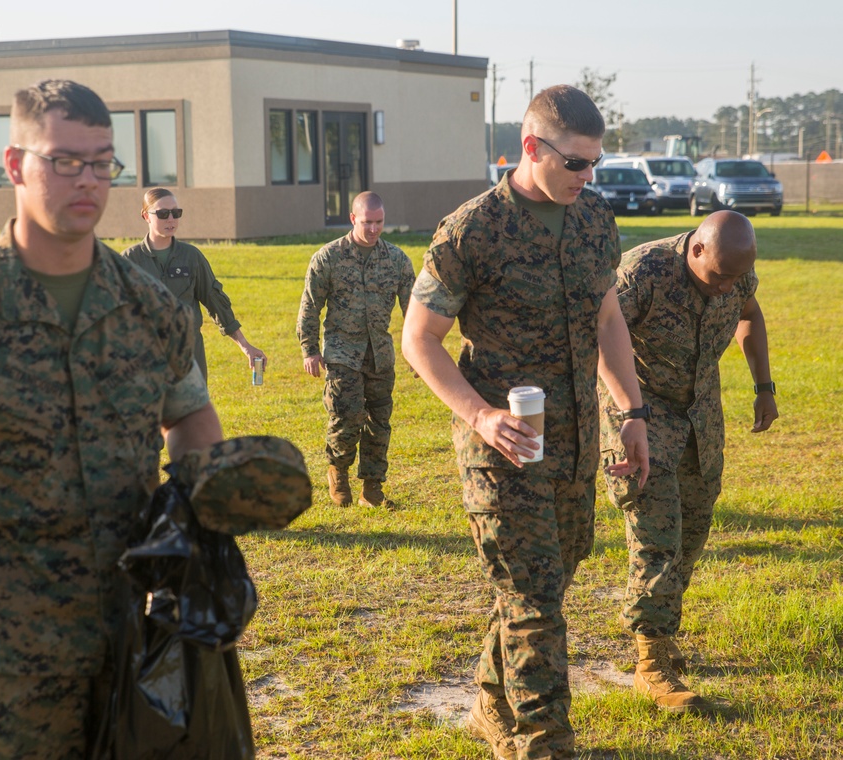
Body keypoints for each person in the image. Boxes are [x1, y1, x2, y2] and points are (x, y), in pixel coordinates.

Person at [0, 79, 224, 758]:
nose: (86, 179)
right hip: (10, 655)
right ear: (14, 164)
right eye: (63, 161)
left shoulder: (148, 307)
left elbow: (192, 418)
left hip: (133, 631)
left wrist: (208, 531)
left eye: (101, 162)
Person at [401, 85, 651, 760]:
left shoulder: (595, 220)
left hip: (572, 441)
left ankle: (490, 700)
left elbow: (607, 320)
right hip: (503, 445)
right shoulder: (472, 229)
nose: (588, 177)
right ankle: (544, 742)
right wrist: (479, 416)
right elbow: (419, 339)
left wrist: (630, 411)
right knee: (536, 596)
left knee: (544, 577)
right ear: (532, 148)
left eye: (595, 163)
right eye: (576, 163)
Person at [599, 209, 778, 713]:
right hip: (639, 415)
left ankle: (658, 629)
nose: (726, 289)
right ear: (697, 249)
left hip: (700, 417)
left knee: (694, 530)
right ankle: (650, 661)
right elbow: (600, 339)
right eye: (719, 277)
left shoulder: (734, 274)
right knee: (659, 536)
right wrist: (626, 412)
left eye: (735, 279)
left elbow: (750, 313)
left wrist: (764, 387)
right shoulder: (641, 272)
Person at [296, 191, 415, 507]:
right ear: (353, 219)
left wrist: (419, 354)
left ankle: (372, 490)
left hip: (380, 356)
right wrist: (310, 350)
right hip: (341, 353)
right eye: (367, 222)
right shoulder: (328, 258)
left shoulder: (397, 260)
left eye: (379, 222)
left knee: (379, 423)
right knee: (346, 417)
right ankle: (339, 474)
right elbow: (310, 306)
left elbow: (414, 310)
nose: (374, 229)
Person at [121, 187, 265, 384]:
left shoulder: (191, 257)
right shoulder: (130, 260)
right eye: (163, 214)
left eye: (176, 213)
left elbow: (216, 303)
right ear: (146, 216)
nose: (171, 219)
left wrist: (245, 345)